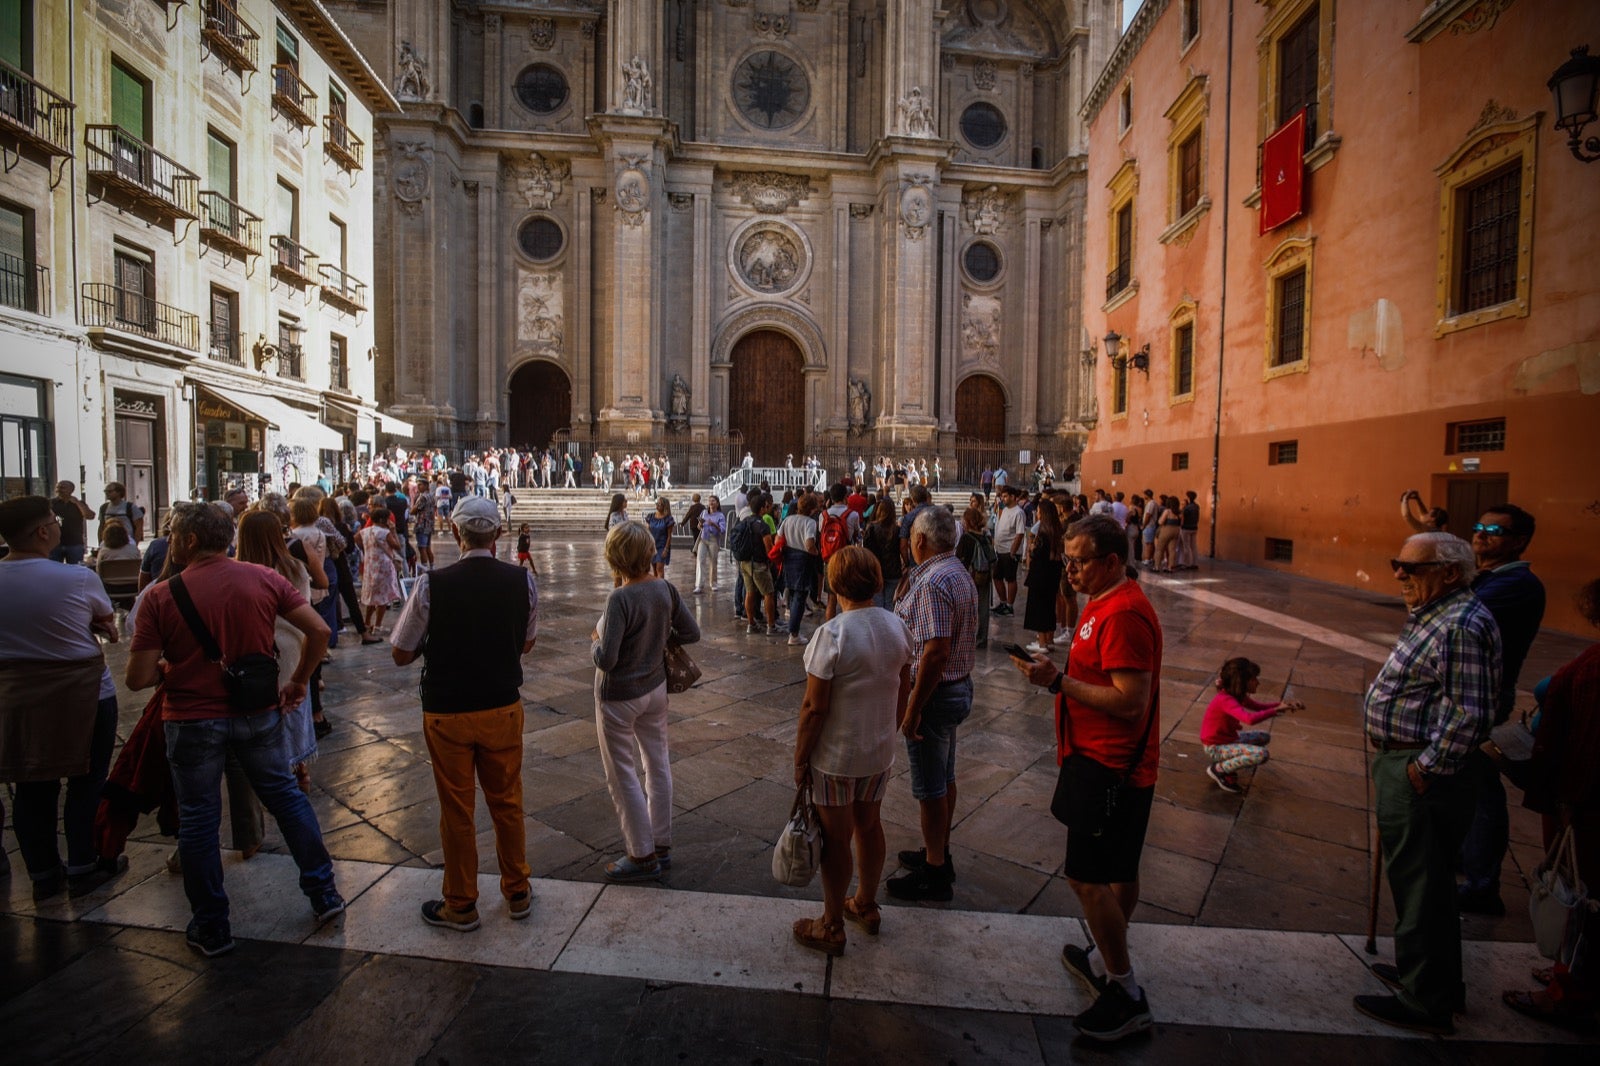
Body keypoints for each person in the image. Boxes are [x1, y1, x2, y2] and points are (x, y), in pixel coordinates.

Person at [125, 500, 343, 958]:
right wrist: (299, 681)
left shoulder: (161, 597)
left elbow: (137, 677)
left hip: (191, 720)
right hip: (257, 711)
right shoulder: (264, 579)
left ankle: (212, 927)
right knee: (285, 796)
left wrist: (169, 664)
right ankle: (324, 895)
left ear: (185, 542)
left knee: (200, 817)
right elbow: (318, 631)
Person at [1015, 514, 1162, 1043]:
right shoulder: (1104, 603)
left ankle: (1125, 989)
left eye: (1077, 561)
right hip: (1104, 760)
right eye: (1067, 558)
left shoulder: (1122, 613)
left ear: (1112, 562)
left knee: (1085, 877)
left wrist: (1058, 683)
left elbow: (1131, 701)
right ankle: (1106, 953)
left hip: (1108, 764)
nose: (1068, 568)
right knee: (1120, 868)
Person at [1358, 532, 1499, 1034]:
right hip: (1406, 764)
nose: (1400, 575)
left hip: (1421, 774)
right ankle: (1427, 974)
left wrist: (1425, 769)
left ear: (1450, 573)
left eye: (1411, 568)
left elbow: (1469, 713)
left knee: (1423, 886)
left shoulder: (1460, 624)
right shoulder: (1438, 615)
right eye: (1398, 564)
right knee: (1420, 882)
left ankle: (1427, 999)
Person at [390, 496, 538, 931]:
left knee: (457, 810)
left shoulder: (430, 584)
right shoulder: (522, 582)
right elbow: (526, 643)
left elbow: (400, 652)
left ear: (455, 533)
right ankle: (517, 891)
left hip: (448, 710)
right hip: (502, 706)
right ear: (498, 535)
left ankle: (461, 904)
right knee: (508, 802)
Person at [790, 547, 914, 955]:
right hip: (878, 752)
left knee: (836, 839)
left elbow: (814, 707)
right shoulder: (897, 627)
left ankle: (830, 924)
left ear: (835, 585)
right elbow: (904, 687)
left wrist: (800, 757)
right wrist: (889, 731)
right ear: (878, 582)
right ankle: (865, 902)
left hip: (836, 758)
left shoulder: (833, 634)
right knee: (870, 825)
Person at [0, 496, 124, 901]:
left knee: (32, 784)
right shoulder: (77, 578)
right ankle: (83, 863)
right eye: (54, 520)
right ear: (42, 532)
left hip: (18, 696)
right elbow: (108, 624)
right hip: (84, 694)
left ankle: (43, 874)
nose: (57, 526)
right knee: (87, 781)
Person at [1500, 577, 1600, 1029]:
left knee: (1582, 894)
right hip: (1577, 794)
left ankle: (1568, 990)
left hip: (1584, 803)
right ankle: (1576, 971)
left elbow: (1590, 743)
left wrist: (1569, 802)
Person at [590, 522, 701, 882]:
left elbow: (606, 659)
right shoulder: (665, 589)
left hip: (620, 695)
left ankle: (641, 854)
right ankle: (661, 843)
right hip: (655, 690)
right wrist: (657, 632)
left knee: (622, 773)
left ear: (614, 557)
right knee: (657, 763)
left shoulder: (619, 599)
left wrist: (595, 639)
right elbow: (691, 632)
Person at [1457, 504, 1547, 916]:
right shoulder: (1488, 578)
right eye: (1478, 526)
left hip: (1484, 696)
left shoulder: (1518, 585)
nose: (1482, 534)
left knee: (1479, 786)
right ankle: (1467, 861)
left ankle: (1482, 884)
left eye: (1494, 529)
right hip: (1466, 692)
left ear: (1519, 541)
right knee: (1463, 781)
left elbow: (1453, 614)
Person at [887, 506, 977, 902]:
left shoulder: (932, 582)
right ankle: (939, 849)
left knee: (930, 787)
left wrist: (913, 708)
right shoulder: (956, 572)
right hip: (957, 687)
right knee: (946, 776)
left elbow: (936, 652)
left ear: (919, 540)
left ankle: (935, 871)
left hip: (935, 696)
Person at [1200, 657, 1303, 793]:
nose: (1258, 683)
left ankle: (1228, 763)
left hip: (1228, 740)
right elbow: (1249, 719)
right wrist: (1274, 711)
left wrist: (1283, 706)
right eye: (1254, 679)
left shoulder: (1237, 695)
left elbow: (1259, 707)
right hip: (1215, 748)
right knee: (1261, 754)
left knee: (1264, 737)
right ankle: (1219, 769)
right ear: (1243, 682)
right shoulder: (1226, 700)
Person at [1023, 497, 1065, 654]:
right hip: (1053, 575)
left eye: (1039, 511)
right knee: (1049, 607)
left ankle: (1041, 643)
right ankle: (1049, 640)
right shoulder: (1057, 531)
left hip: (1040, 575)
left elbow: (1037, 553)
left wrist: (1032, 548)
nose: (1037, 514)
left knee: (1039, 608)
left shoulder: (1043, 533)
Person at [779, 493, 821, 646]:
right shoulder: (809, 522)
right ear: (811, 508)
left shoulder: (787, 519)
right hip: (803, 559)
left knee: (791, 591)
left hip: (788, 557)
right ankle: (794, 633)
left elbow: (778, 539)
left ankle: (792, 626)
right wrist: (816, 554)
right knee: (800, 596)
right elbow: (809, 544)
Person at [954, 506, 996, 649]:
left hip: (970, 576)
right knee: (983, 608)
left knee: (968, 608)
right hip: (984, 575)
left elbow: (959, 559)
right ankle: (982, 638)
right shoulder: (985, 536)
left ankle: (968, 636)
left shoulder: (966, 538)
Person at [358, 506, 404, 634]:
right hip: (384, 566)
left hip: (370, 566)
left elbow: (357, 540)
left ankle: (367, 622)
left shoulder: (365, 531)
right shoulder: (384, 533)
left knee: (371, 596)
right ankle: (377, 626)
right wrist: (393, 531)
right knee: (382, 597)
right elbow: (397, 546)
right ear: (384, 520)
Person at [862, 496, 903, 612]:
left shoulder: (872, 528)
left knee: (878, 602)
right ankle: (888, 626)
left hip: (875, 569)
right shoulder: (897, 530)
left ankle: (879, 626)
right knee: (889, 602)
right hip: (893, 570)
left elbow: (867, 551)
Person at [993, 485, 1027, 615]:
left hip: (1010, 551)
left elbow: (1019, 534)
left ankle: (1009, 606)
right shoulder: (1005, 510)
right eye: (1002, 496)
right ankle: (1002, 602)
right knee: (996, 577)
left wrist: (1013, 551)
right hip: (1000, 550)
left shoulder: (1019, 512)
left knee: (1010, 578)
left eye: (1005, 496)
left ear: (1013, 497)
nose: (1003, 498)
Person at [49, 481, 95, 565]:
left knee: (76, 568)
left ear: (71, 490)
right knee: (54, 569)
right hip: (55, 543)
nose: (59, 490)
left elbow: (90, 516)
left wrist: (77, 503)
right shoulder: (51, 503)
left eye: (62, 487)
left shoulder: (78, 503)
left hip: (75, 543)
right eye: (57, 487)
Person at [694, 495, 725, 595]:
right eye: (710, 501)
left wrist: (714, 524)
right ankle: (699, 585)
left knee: (713, 561)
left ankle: (713, 583)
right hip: (703, 538)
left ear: (717, 503)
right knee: (700, 560)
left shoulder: (720, 515)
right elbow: (699, 527)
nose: (711, 503)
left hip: (713, 539)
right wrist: (700, 525)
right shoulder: (704, 513)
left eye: (713, 501)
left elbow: (723, 530)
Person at [98, 481, 145, 546]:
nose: (107, 493)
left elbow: (139, 527)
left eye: (110, 491)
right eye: (105, 491)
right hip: (108, 543)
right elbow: (101, 526)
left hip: (127, 542)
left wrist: (135, 544)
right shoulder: (104, 508)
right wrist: (100, 542)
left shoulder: (130, 507)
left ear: (119, 492)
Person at [646, 497, 675, 579]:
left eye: (659, 504)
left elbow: (669, 535)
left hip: (662, 545)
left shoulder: (668, 519)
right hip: (652, 545)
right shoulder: (650, 516)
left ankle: (661, 587)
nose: (657, 505)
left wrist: (666, 549)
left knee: (660, 568)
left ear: (665, 506)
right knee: (654, 569)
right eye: (657, 503)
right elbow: (647, 532)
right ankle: (656, 588)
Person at [1179, 491, 1201, 570]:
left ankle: (1187, 563)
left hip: (1186, 528)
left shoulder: (1187, 508)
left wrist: (1181, 525)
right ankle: (1195, 563)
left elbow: (1182, 518)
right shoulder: (1196, 506)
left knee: (1186, 546)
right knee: (1194, 546)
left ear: (1188, 498)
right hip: (1194, 527)